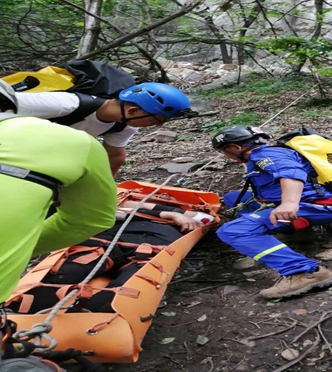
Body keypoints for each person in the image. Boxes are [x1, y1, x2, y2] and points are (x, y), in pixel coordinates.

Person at [0, 79, 117, 305]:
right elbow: (93, 220)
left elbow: (117, 154)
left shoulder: (116, 124)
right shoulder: (70, 119)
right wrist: (20, 247)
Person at [211, 126, 332, 299]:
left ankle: (304, 272)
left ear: (236, 148)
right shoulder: (264, 155)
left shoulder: (266, 156)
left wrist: (289, 204)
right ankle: (295, 230)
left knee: (231, 230)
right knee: (233, 198)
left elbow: (291, 174)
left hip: (317, 206)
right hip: (307, 202)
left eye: (224, 151)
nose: (226, 156)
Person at [12, 82, 193, 176]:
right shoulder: (67, 103)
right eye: (157, 120)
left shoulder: (124, 125)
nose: (157, 126)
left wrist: (105, 190)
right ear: (133, 110)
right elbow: (7, 100)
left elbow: (114, 157)